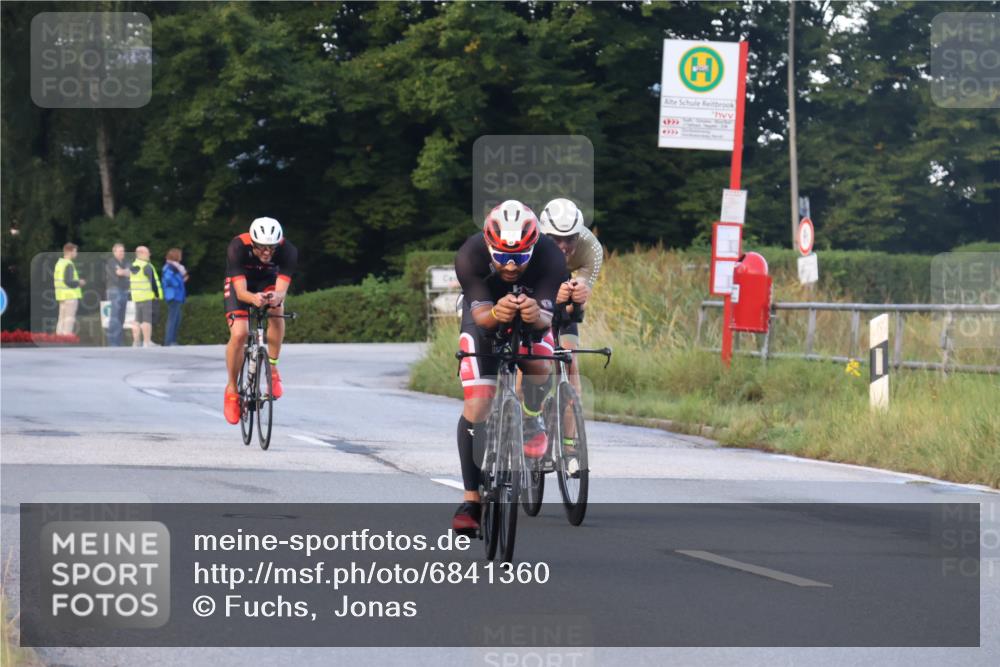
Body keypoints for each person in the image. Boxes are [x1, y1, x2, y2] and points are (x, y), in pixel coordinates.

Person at [451, 200, 568, 533]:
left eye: (520, 257)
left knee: (541, 366)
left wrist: (536, 314)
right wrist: (497, 313)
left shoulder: (550, 256)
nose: (512, 266)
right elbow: (481, 318)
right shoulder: (470, 254)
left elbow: (547, 318)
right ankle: (471, 499)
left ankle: (532, 419)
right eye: (502, 257)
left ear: (533, 247)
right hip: (483, 316)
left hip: (534, 314)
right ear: (489, 247)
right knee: (478, 402)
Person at [223, 217, 297, 424]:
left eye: (271, 248)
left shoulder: (288, 250)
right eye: (262, 248)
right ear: (253, 243)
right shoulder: (237, 247)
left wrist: (276, 297)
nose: (267, 253)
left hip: (267, 280)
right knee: (239, 334)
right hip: (242, 283)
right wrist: (253, 299)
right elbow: (241, 291)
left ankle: (272, 369)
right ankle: (231, 388)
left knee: (277, 308)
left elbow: (281, 290)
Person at [538, 197, 603, 401]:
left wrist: (570, 304)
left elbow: (578, 306)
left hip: (565, 286)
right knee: (533, 359)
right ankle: (529, 413)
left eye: (570, 239)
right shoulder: (533, 245)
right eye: (555, 239)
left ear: (579, 236)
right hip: (538, 289)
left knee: (570, 361)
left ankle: (569, 432)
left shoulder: (591, 249)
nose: (563, 246)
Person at [130, 245, 162, 348]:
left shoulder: (133, 266)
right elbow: (153, 282)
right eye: (148, 253)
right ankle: (147, 342)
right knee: (146, 320)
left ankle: (136, 342)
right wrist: (157, 295)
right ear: (141, 254)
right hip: (147, 296)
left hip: (136, 297)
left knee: (137, 320)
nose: (149, 255)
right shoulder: (146, 266)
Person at [53, 243, 86, 336]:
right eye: (75, 251)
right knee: (69, 319)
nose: (76, 253)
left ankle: (58, 338)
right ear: (69, 252)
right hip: (70, 296)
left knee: (61, 319)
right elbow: (68, 281)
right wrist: (79, 282)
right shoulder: (69, 264)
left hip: (62, 296)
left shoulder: (60, 263)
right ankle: (66, 339)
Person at [104, 243, 130, 346]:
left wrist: (123, 271)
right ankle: (112, 343)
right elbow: (119, 273)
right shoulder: (111, 261)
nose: (122, 253)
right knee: (114, 316)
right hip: (114, 290)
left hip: (124, 290)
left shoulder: (126, 262)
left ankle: (118, 342)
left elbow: (131, 272)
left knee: (121, 317)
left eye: (123, 251)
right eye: (119, 251)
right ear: (114, 252)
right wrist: (124, 272)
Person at [161, 248, 189, 346]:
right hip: (173, 295)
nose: (181, 257)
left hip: (176, 295)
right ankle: (169, 341)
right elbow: (168, 279)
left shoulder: (174, 267)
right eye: (179, 255)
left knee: (177, 318)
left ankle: (172, 340)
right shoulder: (169, 267)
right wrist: (179, 282)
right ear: (176, 256)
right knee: (173, 318)